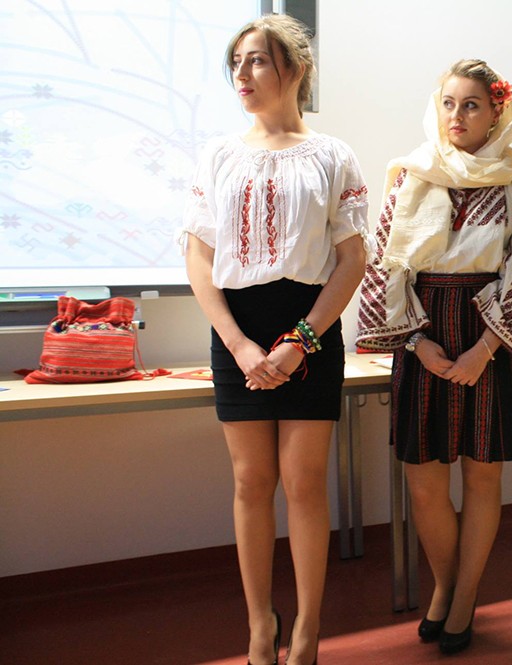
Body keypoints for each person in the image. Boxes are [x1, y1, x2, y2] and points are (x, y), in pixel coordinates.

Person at [179, 15, 368, 665]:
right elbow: (199, 257)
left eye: (257, 60)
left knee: (304, 483)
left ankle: (309, 629)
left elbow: (352, 259)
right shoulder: (218, 154)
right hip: (238, 329)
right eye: (236, 62)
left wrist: (301, 341)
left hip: (308, 325)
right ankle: (261, 626)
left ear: (296, 69)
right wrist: (237, 344)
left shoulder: (333, 155)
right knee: (250, 481)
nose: (242, 74)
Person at [356, 59, 512, 655]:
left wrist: (484, 349)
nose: (457, 115)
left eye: (471, 105)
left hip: (488, 336)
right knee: (423, 480)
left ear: (495, 113)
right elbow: (384, 264)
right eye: (448, 103)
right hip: (423, 333)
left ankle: (463, 599)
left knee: (482, 476)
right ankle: (446, 585)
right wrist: (417, 341)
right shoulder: (410, 176)